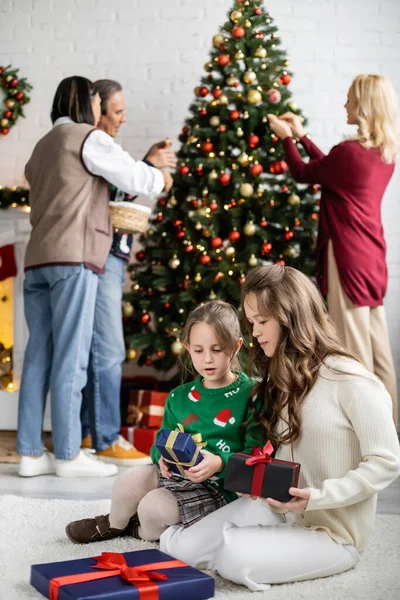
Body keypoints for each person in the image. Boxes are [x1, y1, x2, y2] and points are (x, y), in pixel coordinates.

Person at [160, 266, 400, 591]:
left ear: (290, 316)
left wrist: (318, 497)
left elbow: (386, 462)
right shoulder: (283, 380)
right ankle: (250, 540)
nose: (256, 332)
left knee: (234, 558)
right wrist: (255, 482)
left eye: (262, 321)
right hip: (279, 510)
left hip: (332, 535)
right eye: (252, 323)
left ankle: (249, 544)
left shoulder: (353, 382)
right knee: (178, 547)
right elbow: (278, 451)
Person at [17, 75, 173, 478]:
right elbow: (136, 179)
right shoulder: (89, 138)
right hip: (74, 260)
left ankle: (30, 454)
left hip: (37, 261)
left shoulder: (41, 147)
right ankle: (69, 455)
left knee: (38, 357)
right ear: (88, 104)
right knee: (72, 356)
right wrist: (159, 177)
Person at [65, 300, 265, 543]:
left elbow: (256, 454)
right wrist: (162, 460)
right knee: (129, 481)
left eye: (217, 349)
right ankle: (113, 524)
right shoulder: (178, 397)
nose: (208, 360)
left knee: (152, 509)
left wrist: (220, 463)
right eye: (199, 351)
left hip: (219, 487)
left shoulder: (252, 395)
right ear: (188, 348)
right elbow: (161, 441)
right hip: (178, 475)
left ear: (236, 347)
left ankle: (139, 531)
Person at [267, 74, 399, 427]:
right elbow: (330, 172)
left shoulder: (349, 153)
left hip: (347, 256)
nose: (345, 104)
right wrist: (302, 136)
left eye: (350, 99)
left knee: (353, 350)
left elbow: (302, 172)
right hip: (371, 257)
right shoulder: (381, 154)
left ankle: (365, 429)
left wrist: (287, 139)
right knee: (378, 347)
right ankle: (390, 426)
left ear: (364, 106)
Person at [79, 79, 176, 466]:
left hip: (107, 258)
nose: (122, 118)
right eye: (116, 111)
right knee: (108, 348)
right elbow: (117, 195)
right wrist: (151, 167)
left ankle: (89, 430)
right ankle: (105, 436)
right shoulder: (95, 146)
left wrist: (147, 163)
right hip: (104, 257)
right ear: (97, 110)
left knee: (93, 348)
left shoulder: (100, 150)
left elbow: (118, 191)